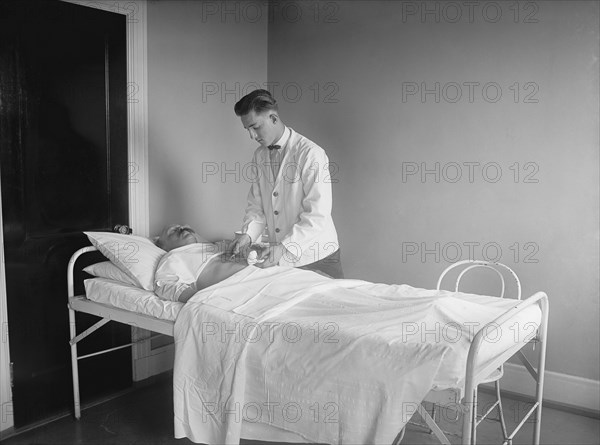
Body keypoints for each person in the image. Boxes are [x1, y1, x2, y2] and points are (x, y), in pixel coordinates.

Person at [230, 89, 344, 278]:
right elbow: (257, 206)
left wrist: (285, 247)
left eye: (255, 127)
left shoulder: (310, 154)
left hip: (317, 256)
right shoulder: (259, 155)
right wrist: (248, 234)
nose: (252, 135)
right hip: (282, 259)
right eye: (247, 129)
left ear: (273, 118)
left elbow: (318, 214)